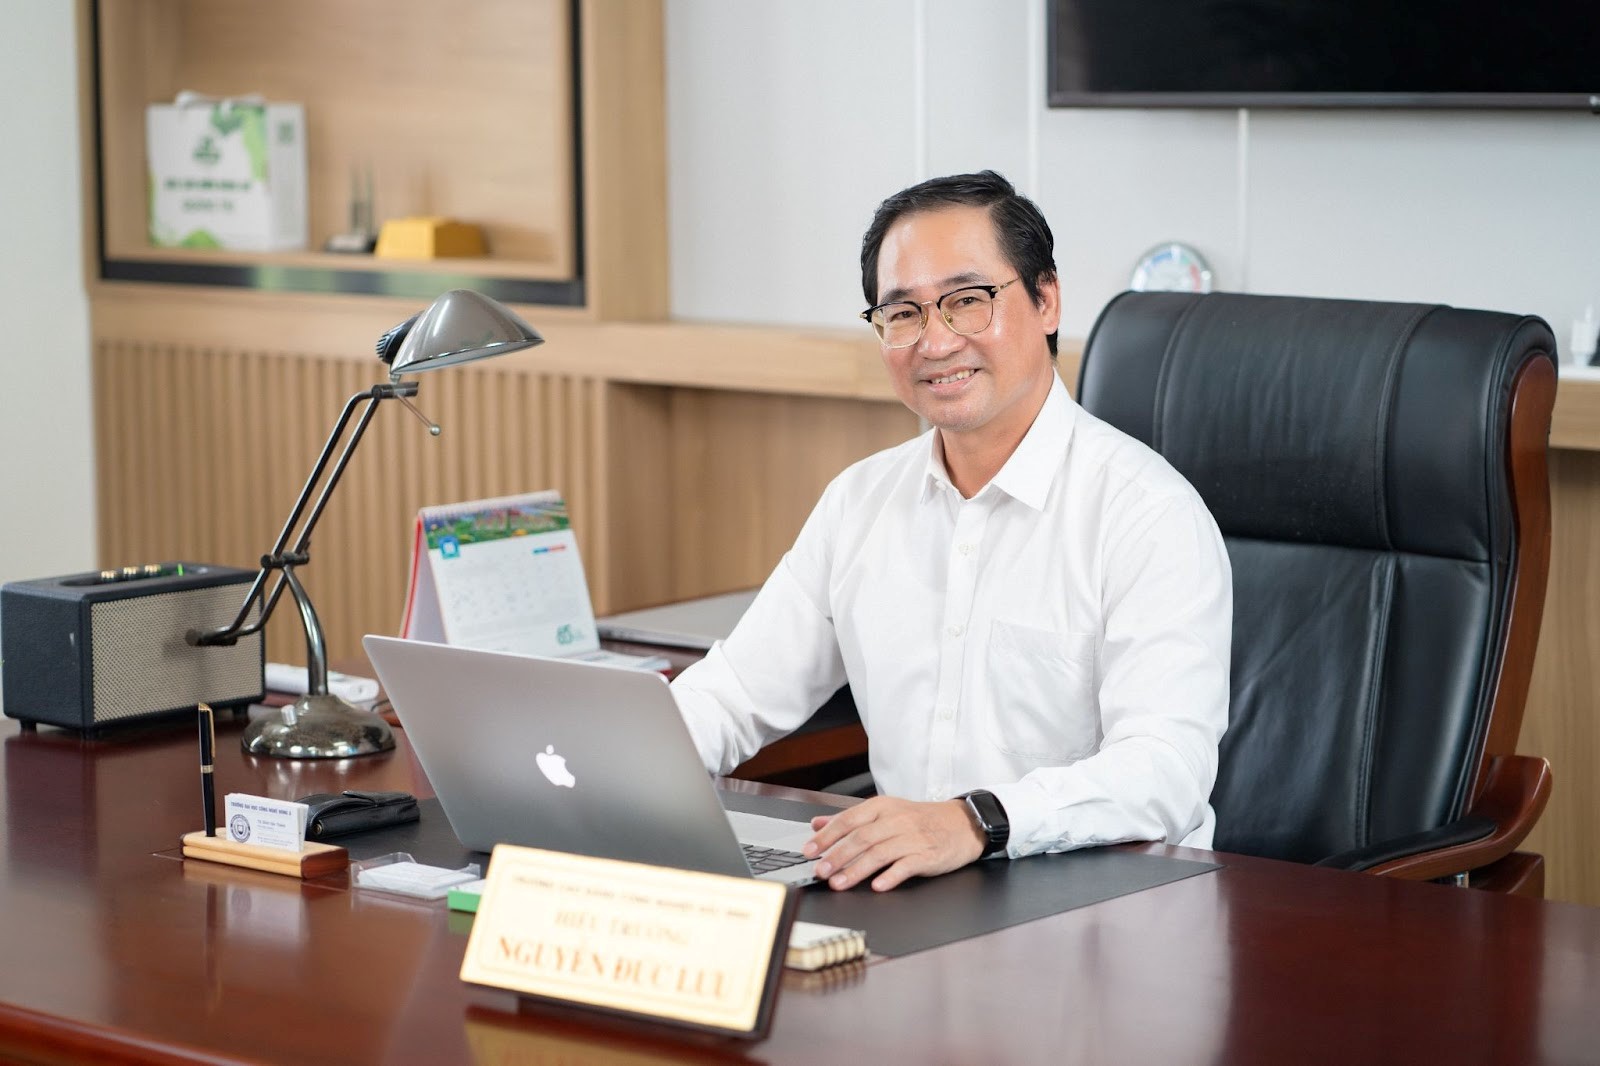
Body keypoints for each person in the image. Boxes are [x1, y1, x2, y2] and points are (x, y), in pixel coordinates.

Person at [671, 170, 1231, 892]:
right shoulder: (861, 502)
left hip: (1107, 906)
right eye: (902, 313)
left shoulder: (1147, 515)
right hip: (914, 896)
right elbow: (733, 693)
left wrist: (974, 821)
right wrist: (595, 771)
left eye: (967, 301)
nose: (934, 342)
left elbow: (1165, 771)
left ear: (1047, 300)